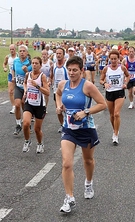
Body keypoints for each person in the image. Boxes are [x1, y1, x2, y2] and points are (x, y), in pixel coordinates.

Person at [55, 56, 107, 213]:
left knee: (88, 160)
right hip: (69, 129)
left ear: (81, 71)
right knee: (67, 163)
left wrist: (86, 112)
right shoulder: (63, 85)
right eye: (69, 70)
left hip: (86, 129)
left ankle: (88, 183)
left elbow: (102, 104)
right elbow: (57, 94)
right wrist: (59, 106)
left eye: (75, 70)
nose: (71, 73)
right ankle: (69, 198)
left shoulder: (88, 86)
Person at [100, 49, 130, 145]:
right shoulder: (106, 69)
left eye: (115, 59)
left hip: (119, 92)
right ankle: (115, 129)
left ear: (118, 59)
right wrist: (104, 83)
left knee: (117, 113)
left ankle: (115, 135)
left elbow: (128, 76)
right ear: (109, 59)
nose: (113, 61)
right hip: (110, 92)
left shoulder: (122, 68)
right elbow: (101, 80)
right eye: (111, 59)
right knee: (112, 115)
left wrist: (125, 83)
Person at [21, 57, 50, 153]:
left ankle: (40, 143)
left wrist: (37, 86)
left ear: (40, 65)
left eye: (36, 63)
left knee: (37, 129)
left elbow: (47, 92)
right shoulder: (27, 74)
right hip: (29, 103)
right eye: (33, 63)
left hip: (39, 105)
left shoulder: (42, 76)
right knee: (25, 123)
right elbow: (25, 84)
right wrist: (25, 91)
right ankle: (27, 141)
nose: (34, 65)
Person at [11, 44, 32, 135]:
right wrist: (13, 76)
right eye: (20, 51)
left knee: (24, 105)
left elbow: (33, 75)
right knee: (17, 105)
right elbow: (12, 69)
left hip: (27, 87)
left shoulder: (30, 63)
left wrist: (26, 71)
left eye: (24, 51)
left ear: (27, 53)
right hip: (18, 86)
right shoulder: (16, 61)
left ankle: (27, 121)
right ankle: (18, 125)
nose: (22, 53)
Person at [50, 47, 69, 133]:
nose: (58, 55)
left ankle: (69, 125)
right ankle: (62, 125)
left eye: (60, 53)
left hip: (67, 91)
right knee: (58, 109)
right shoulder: (53, 65)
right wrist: (50, 82)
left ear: (63, 55)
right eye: (57, 53)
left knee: (66, 109)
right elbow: (51, 76)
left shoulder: (67, 65)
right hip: (56, 91)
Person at [3, 44, 18, 114]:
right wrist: (5, 68)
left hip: (18, 75)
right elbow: (4, 63)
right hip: (10, 74)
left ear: (15, 49)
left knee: (21, 90)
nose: (12, 51)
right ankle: (14, 106)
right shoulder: (7, 57)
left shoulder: (18, 56)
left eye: (13, 49)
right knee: (10, 91)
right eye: (10, 49)